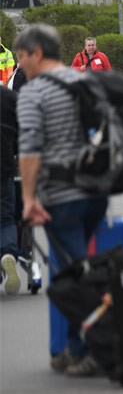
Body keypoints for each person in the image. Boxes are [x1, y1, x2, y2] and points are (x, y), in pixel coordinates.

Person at [15, 24, 109, 375]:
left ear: (37, 53)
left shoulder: (34, 92)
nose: (20, 64)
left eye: (22, 57)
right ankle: (74, 346)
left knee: (74, 274)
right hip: (95, 190)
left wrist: (27, 197)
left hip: (62, 195)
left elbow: (30, 148)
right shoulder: (83, 80)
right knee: (79, 268)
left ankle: (94, 347)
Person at [1, 83, 20, 293]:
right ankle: (7, 253)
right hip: (4, 166)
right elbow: (21, 132)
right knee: (6, 217)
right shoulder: (9, 97)